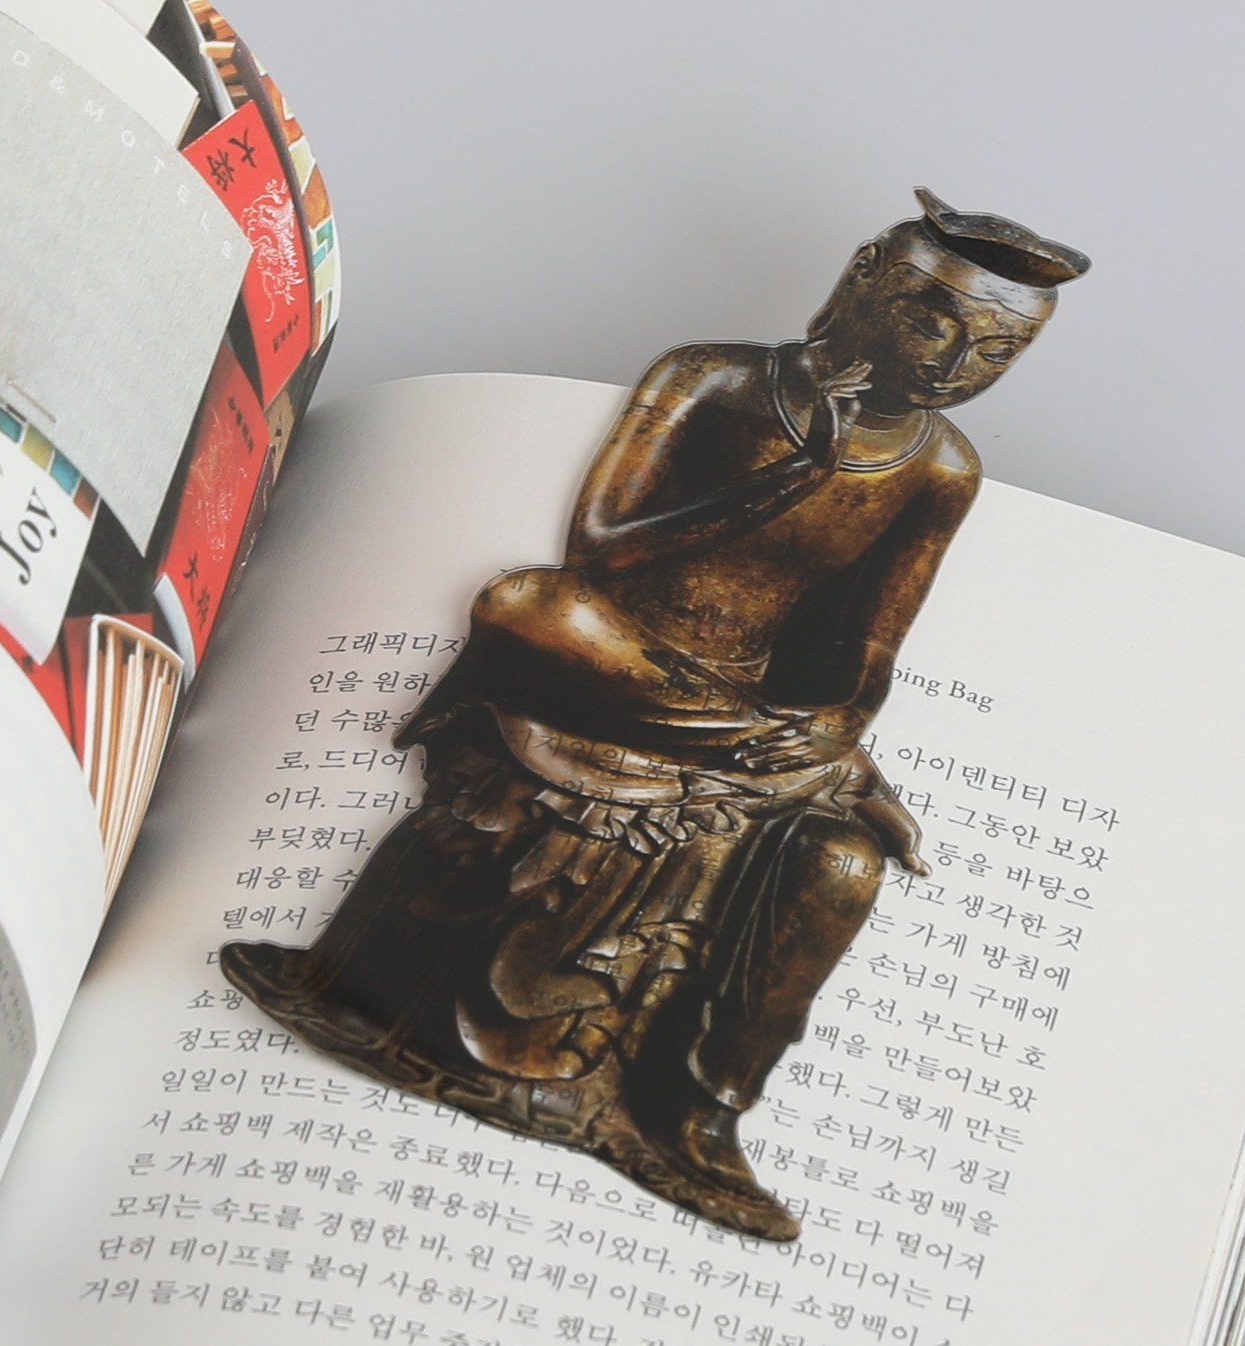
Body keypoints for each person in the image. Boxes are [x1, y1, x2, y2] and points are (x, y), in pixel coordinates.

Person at [221, 190, 1087, 1239]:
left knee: (843, 864)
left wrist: (833, 732)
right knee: (525, 601)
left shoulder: (939, 468)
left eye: (996, 352)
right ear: (864, 277)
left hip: (734, 698)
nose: (952, 364)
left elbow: (865, 650)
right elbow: (599, 547)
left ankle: (699, 1118)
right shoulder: (713, 378)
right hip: (611, 648)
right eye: (930, 319)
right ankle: (778, 762)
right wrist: (787, 477)